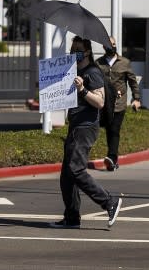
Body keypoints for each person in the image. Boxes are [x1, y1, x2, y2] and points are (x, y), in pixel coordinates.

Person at [51, 36, 122, 230]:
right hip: (76, 125)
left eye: (78, 49)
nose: (74, 52)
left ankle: (109, 202)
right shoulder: (76, 71)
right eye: (72, 49)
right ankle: (72, 217)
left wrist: (82, 90)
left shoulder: (92, 72)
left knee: (76, 169)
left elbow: (99, 101)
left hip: (86, 126)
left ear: (88, 52)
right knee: (67, 174)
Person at [96, 36, 141, 172]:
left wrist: (136, 99)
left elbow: (133, 82)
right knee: (109, 130)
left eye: (114, 44)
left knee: (115, 129)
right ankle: (113, 162)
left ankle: (111, 156)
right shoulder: (99, 63)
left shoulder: (125, 63)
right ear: (104, 47)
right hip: (105, 104)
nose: (112, 47)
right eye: (109, 45)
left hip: (119, 104)